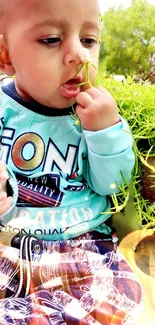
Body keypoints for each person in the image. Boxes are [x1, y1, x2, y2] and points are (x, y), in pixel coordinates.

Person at [0, 0, 142, 324]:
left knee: (110, 305)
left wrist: (105, 132)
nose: (79, 55)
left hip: (85, 245)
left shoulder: (95, 113)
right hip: (9, 241)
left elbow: (112, 184)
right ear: (6, 57)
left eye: (89, 40)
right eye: (51, 39)